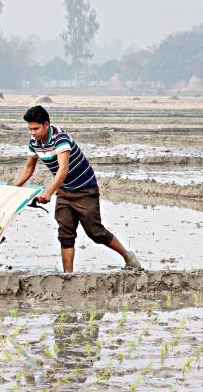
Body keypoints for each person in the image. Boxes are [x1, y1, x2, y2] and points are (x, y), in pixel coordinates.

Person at [11, 105, 142, 272]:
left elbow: (63, 169)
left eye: (36, 128)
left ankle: (128, 256)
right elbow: (29, 169)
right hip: (65, 190)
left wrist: (48, 192)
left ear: (46, 124)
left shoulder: (60, 138)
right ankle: (68, 276)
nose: (33, 132)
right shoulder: (34, 142)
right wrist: (14, 189)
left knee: (95, 232)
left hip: (85, 189)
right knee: (65, 234)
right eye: (30, 129)